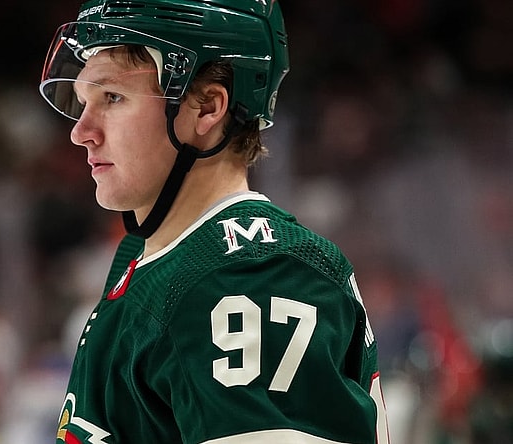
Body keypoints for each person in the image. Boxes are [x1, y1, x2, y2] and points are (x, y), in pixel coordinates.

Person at [38, 1, 390, 442]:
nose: (81, 130)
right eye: (86, 100)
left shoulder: (253, 273)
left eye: (113, 97)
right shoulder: (151, 254)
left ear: (207, 107)